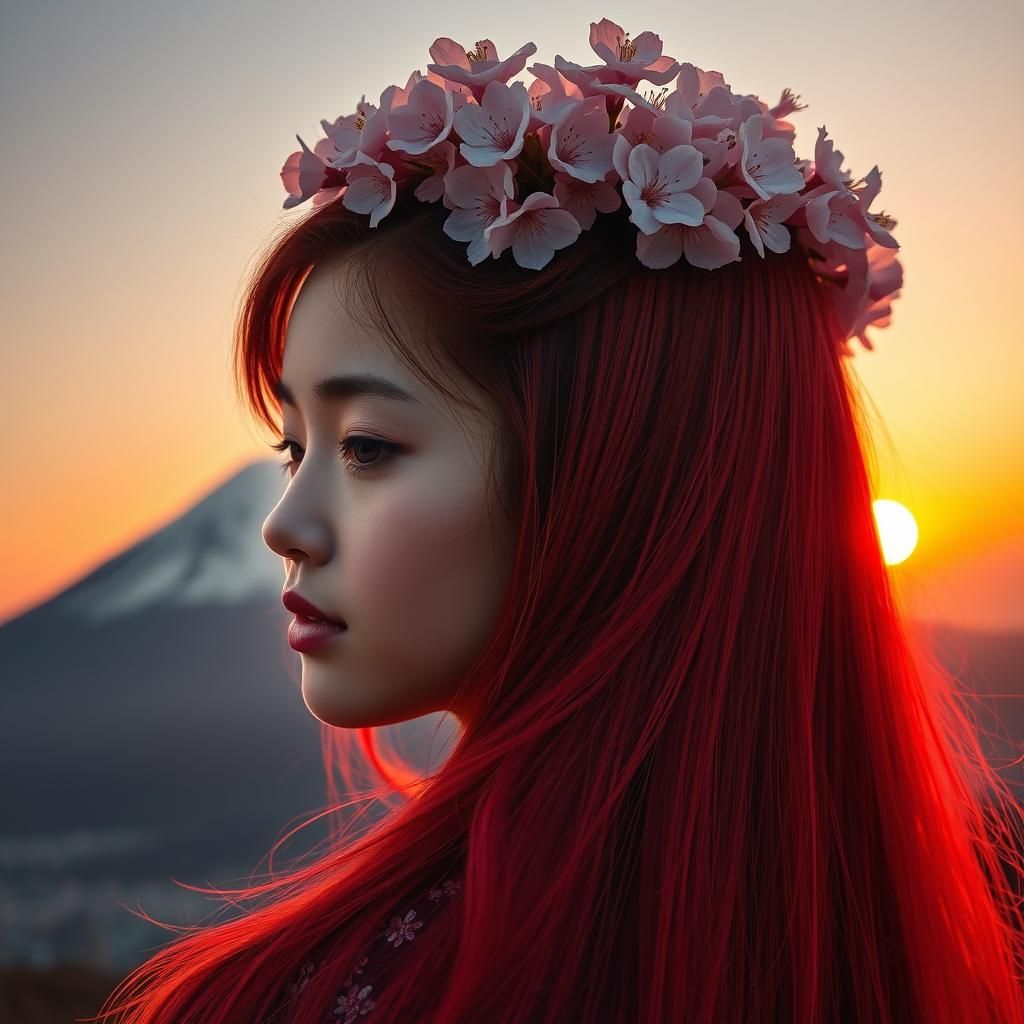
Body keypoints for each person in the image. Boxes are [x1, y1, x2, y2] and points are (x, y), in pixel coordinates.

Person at [91, 19, 1024, 1024]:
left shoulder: (293, 1001)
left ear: (618, 483)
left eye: (365, 446)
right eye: (292, 447)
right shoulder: (897, 959)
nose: (284, 524)